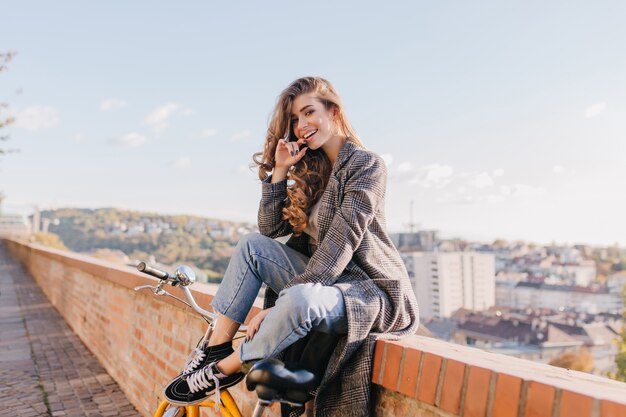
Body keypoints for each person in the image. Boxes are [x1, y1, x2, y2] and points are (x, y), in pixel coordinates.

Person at [163, 76, 419, 416]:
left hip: (368, 290)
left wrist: (286, 298)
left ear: (333, 110)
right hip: (322, 283)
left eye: (309, 112)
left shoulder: (367, 165)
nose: (301, 125)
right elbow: (270, 231)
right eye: (295, 119)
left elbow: (342, 242)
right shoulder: (312, 170)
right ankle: (214, 349)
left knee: (299, 298)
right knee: (251, 246)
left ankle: (224, 369)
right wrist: (281, 170)